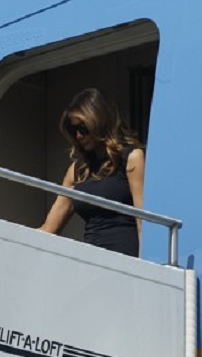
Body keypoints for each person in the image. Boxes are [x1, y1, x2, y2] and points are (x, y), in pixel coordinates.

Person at [38, 88, 145, 257]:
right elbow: (48, 229)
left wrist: (145, 269)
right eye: (73, 130)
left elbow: (143, 223)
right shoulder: (77, 171)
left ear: (98, 122)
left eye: (83, 128)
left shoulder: (132, 158)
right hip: (92, 262)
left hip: (126, 258)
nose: (79, 136)